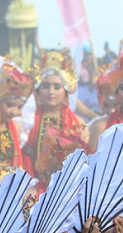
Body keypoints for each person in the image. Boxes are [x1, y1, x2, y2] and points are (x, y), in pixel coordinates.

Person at [22, 50, 87, 184]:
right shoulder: (27, 120)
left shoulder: (78, 124)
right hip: (31, 184)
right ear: (38, 90)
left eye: (57, 87)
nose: (51, 92)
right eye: (45, 86)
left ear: (66, 91)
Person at [0, 62, 33, 171]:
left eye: (19, 107)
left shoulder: (16, 128)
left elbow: (16, 164)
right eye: (10, 105)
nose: (14, 111)